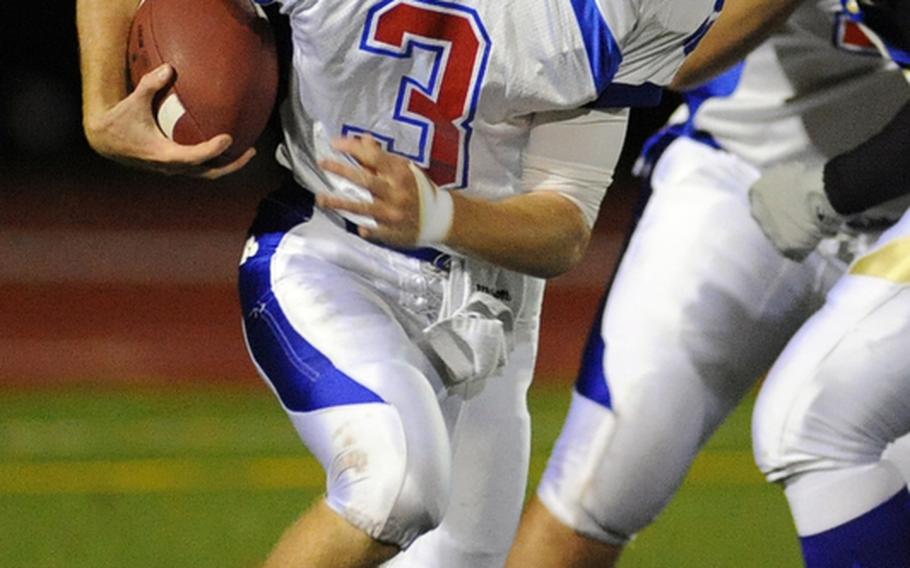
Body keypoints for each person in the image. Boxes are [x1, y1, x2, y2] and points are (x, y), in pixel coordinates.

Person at [75, 0, 723, 566]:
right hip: (329, 253)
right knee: (393, 487)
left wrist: (439, 215)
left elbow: (564, 227)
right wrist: (103, 107)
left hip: (493, 305)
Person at [507, 0, 910, 566]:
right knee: (601, 479)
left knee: (832, 434)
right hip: (744, 173)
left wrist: (837, 188)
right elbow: (664, 55)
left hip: (889, 200)